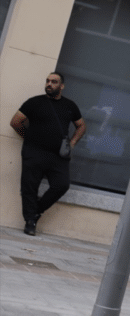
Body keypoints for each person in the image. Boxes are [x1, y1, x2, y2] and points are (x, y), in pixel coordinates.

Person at [10, 71, 87, 236]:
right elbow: (15, 122)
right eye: (47, 81)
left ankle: (37, 211)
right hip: (34, 153)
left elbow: (81, 126)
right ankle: (30, 221)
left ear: (62, 86)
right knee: (29, 187)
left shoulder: (70, 106)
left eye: (54, 81)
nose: (49, 84)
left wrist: (72, 143)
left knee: (61, 185)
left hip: (58, 156)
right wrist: (29, 138)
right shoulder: (34, 102)